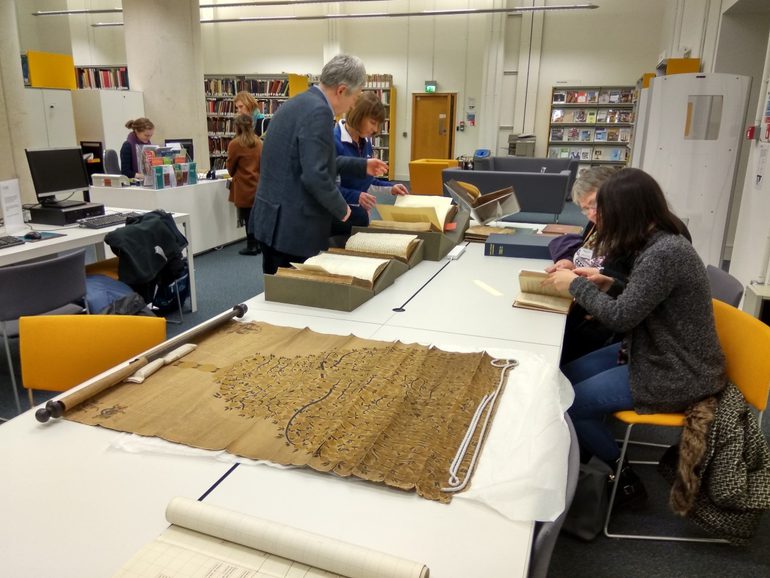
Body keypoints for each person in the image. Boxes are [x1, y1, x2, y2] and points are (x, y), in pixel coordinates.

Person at [543, 168, 725, 503]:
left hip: (676, 371)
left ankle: (617, 473)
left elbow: (621, 317)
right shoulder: (656, 244)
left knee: (563, 400)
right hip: (655, 351)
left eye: (603, 210)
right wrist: (608, 283)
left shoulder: (663, 253)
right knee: (561, 379)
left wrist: (578, 285)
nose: (598, 219)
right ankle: (589, 450)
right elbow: (642, 299)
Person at [250, 54, 388, 275]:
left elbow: (310, 161)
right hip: (293, 228)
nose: (354, 103)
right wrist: (342, 208)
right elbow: (315, 175)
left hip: (272, 220)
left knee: (276, 294)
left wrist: (362, 165)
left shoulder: (298, 102)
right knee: (295, 299)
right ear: (342, 90)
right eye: (356, 96)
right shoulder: (320, 112)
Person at [332, 91, 408, 236]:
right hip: (336, 221)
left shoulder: (365, 142)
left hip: (360, 217)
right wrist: (355, 196)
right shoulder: (333, 141)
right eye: (373, 123)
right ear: (357, 115)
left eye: (378, 125)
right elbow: (324, 187)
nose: (375, 130)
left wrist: (391, 188)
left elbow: (367, 181)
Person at [226, 114, 263, 256]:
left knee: (247, 217)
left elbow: (230, 169)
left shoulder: (235, 144)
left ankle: (251, 245)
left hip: (243, 186)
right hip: (257, 185)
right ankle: (258, 245)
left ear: (237, 127)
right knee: (256, 217)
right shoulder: (259, 142)